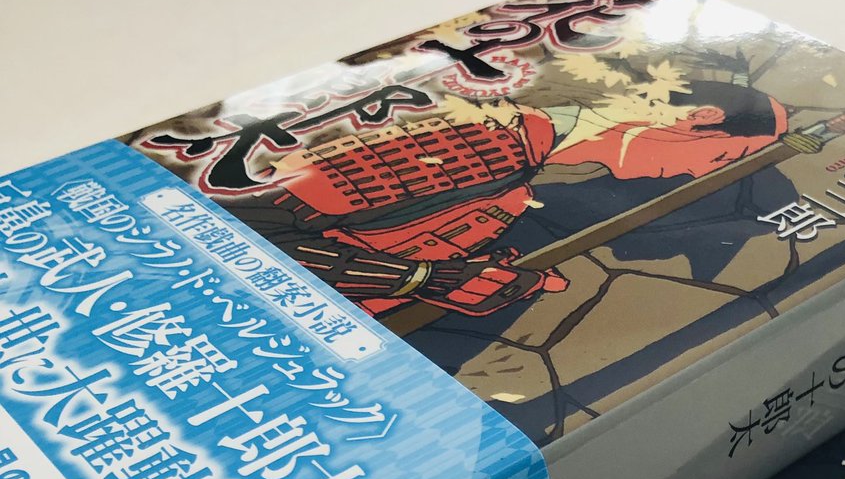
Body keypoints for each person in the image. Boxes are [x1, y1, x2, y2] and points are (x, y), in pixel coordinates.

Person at [224, 79, 787, 319]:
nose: (696, 173)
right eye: (720, 157)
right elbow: (242, 233)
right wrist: (427, 279)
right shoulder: (479, 140)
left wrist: (467, 277)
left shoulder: (521, 171)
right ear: (700, 118)